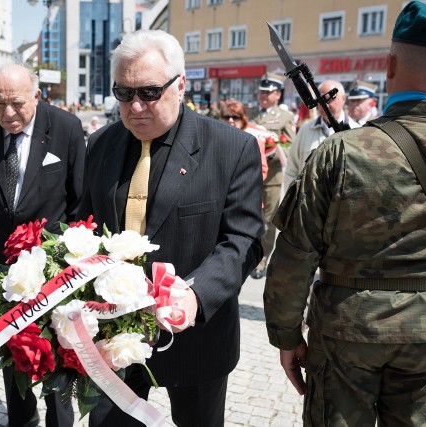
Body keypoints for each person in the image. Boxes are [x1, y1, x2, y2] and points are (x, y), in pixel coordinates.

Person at [263, 2, 426, 425]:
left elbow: (295, 254)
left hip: (345, 333)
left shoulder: (339, 152)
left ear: (388, 66)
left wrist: (285, 335)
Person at [79, 29, 264, 427]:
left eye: (148, 92)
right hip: (114, 336)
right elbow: (83, 226)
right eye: (123, 93)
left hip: (195, 337)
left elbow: (244, 239)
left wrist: (196, 296)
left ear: (180, 85)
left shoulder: (231, 148)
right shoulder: (100, 145)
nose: (136, 106)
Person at [0, 63, 85, 427]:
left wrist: (72, 260)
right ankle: (21, 421)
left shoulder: (66, 128)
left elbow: (79, 200)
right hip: (0, 268)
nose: (8, 114)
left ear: (37, 96)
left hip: (54, 269)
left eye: (16, 103)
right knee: (15, 355)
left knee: (58, 356)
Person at [252, 72, 295, 280]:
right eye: (261, 91)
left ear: (277, 94)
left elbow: (290, 146)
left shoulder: (285, 117)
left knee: (267, 221)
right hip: (251, 176)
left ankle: (262, 259)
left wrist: (274, 149)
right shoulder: (252, 114)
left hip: (272, 177)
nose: (263, 96)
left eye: (268, 92)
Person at [284, 79, 360, 188]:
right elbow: (292, 170)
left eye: (330, 99)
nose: (325, 105)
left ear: (344, 99)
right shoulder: (305, 131)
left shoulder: (356, 131)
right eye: (321, 100)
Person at [220, 98, 270, 182]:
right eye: (226, 117)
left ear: (243, 119)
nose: (230, 120)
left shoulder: (253, 140)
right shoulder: (215, 139)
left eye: (235, 117)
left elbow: (262, 170)